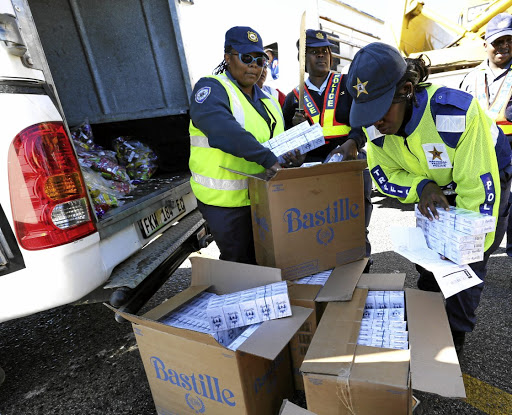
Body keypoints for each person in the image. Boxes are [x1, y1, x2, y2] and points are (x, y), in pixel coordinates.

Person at [345, 42, 512, 357]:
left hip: (486, 172)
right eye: (367, 113)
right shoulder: (376, 127)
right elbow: (385, 175)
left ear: (407, 89)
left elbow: (478, 188)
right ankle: (428, 310)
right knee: (432, 254)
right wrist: (422, 187)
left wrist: (472, 244)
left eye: (380, 110)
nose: (375, 122)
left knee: (467, 263)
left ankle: (455, 334)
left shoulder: (456, 113)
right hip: (434, 182)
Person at [188, 26, 286, 264]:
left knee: (268, 260)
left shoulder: (269, 100)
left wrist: (289, 157)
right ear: (227, 58)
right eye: (246, 58)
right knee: (240, 265)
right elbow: (223, 131)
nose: (254, 65)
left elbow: (274, 142)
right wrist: (268, 159)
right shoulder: (211, 88)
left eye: (259, 59)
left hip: (262, 197)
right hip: (226, 203)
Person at [282, 29, 373, 268]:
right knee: (319, 227)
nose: (321, 56)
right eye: (314, 52)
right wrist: (294, 134)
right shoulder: (294, 99)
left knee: (355, 225)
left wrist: (352, 143)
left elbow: (365, 121)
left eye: (325, 51)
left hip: (348, 164)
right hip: (312, 171)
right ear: (303, 60)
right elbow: (287, 145)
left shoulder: (350, 85)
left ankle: (360, 268)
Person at [459, 13, 512, 257]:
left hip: (508, 156)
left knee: (504, 211)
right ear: (485, 45)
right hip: (477, 155)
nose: (504, 46)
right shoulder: (470, 79)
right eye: (498, 41)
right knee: (480, 209)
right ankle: (477, 258)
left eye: (509, 41)